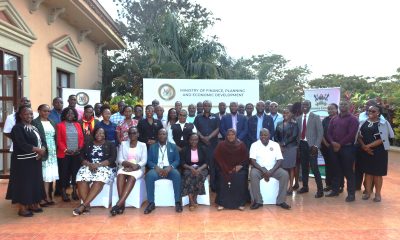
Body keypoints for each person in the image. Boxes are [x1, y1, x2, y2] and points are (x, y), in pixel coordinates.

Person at [6, 106, 46, 217]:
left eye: (30, 114)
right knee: (24, 184)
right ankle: (22, 208)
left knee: (34, 182)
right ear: (20, 115)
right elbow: (21, 144)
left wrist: (43, 149)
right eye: (26, 114)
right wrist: (37, 150)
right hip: (22, 162)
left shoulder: (34, 127)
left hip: (35, 159)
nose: (29, 116)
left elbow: (42, 140)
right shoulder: (17, 128)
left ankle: (33, 204)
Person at [73, 127, 117, 215]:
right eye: (97, 133)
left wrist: (98, 164)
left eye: (102, 133)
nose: (99, 135)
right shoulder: (88, 144)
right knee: (81, 178)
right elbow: (81, 157)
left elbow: (112, 158)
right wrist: (89, 164)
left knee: (99, 180)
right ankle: (87, 205)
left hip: (105, 167)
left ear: (105, 135)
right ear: (94, 134)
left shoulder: (110, 144)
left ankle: (83, 205)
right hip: (89, 165)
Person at [357, 105, 394, 202]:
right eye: (368, 111)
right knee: (368, 173)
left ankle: (378, 194)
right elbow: (358, 136)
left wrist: (367, 146)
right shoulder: (363, 122)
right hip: (365, 151)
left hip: (379, 152)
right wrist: (364, 146)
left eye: (373, 111)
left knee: (377, 174)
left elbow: (383, 139)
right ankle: (368, 192)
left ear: (378, 113)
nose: (370, 112)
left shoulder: (383, 123)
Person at [249, 128, 290, 210]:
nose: (263, 136)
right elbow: (252, 161)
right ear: (259, 136)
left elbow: (280, 160)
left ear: (269, 135)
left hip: (274, 168)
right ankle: (258, 201)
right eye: (261, 135)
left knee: (285, 174)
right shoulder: (254, 145)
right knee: (253, 174)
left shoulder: (275, 145)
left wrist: (271, 171)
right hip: (259, 169)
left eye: (265, 135)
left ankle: (281, 201)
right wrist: (263, 170)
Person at [326, 101, 359, 202]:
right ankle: (335, 190)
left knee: (348, 172)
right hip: (334, 147)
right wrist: (333, 143)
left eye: (345, 104)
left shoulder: (353, 119)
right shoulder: (334, 118)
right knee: (336, 170)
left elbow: (351, 134)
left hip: (347, 148)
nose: (342, 106)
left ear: (349, 106)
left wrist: (339, 144)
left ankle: (351, 194)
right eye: (341, 104)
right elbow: (328, 132)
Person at [144, 129, 182, 214]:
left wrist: (170, 167)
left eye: (164, 134)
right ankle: (151, 203)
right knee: (149, 176)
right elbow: (149, 161)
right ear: (158, 135)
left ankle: (178, 202)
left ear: (167, 135)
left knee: (177, 175)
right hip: (156, 169)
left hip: (169, 169)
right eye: (160, 134)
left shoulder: (173, 146)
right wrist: (155, 167)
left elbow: (177, 160)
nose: (162, 135)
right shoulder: (152, 147)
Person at [111, 126, 147, 216]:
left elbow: (144, 160)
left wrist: (135, 167)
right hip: (125, 167)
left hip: (138, 168)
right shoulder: (123, 144)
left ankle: (118, 204)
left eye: (134, 133)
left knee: (132, 177)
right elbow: (120, 159)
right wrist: (130, 165)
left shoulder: (143, 145)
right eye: (130, 133)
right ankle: (122, 204)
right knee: (120, 175)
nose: (132, 135)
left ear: (138, 134)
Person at [214, 129, 249, 210]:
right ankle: (221, 203)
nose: (230, 136)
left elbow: (246, 158)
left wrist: (240, 166)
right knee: (222, 176)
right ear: (226, 136)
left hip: (238, 168)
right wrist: (225, 168)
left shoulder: (241, 145)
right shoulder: (221, 145)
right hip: (224, 168)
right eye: (229, 135)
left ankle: (240, 203)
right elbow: (216, 157)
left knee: (240, 177)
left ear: (235, 135)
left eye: (232, 134)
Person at [296, 100, 324, 198]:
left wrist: (316, 146)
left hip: (312, 146)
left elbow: (320, 133)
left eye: (306, 105)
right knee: (304, 167)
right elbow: (298, 133)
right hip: (302, 145)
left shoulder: (315, 117)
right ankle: (305, 187)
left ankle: (320, 190)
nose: (304, 106)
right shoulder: (298, 118)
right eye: (303, 104)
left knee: (314, 167)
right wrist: (298, 146)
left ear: (310, 106)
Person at [32, 104, 58, 206]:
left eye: (48, 111)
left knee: (48, 175)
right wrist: (39, 150)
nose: (46, 113)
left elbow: (54, 136)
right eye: (44, 111)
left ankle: (47, 196)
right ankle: (41, 198)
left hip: (52, 151)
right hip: (42, 150)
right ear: (39, 111)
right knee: (42, 175)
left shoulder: (52, 122)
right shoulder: (35, 122)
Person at [57, 107, 84, 202]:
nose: (70, 115)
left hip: (76, 154)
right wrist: (65, 150)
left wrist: (79, 148)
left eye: (72, 114)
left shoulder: (77, 125)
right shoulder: (60, 125)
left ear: (75, 116)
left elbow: (81, 138)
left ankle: (74, 192)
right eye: (68, 113)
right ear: (64, 115)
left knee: (75, 173)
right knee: (64, 173)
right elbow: (59, 140)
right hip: (64, 154)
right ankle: (64, 192)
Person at [194, 100, 220, 191]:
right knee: (201, 164)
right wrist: (203, 138)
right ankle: (200, 186)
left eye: (209, 105)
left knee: (212, 166)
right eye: (205, 105)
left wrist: (209, 137)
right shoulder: (198, 117)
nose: (207, 107)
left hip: (213, 145)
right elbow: (195, 129)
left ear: (211, 106)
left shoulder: (215, 117)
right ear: (203, 107)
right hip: (201, 145)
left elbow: (217, 129)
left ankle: (213, 185)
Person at [181, 133, 208, 211]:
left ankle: (195, 197)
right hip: (188, 168)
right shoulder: (185, 149)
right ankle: (191, 200)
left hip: (201, 168)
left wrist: (199, 169)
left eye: (196, 139)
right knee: (188, 176)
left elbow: (206, 162)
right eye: (192, 139)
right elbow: (182, 163)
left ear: (198, 140)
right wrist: (191, 168)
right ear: (189, 140)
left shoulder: (203, 148)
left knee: (199, 175)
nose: (194, 141)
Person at [275, 108, 298, 194]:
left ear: (291, 114)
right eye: (284, 113)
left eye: (287, 112)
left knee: (291, 167)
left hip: (291, 147)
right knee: (281, 167)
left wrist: (284, 143)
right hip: (280, 148)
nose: (285, 114)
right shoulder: (279, 124)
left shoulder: (294, 124)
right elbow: (276, 135)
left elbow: (294, 136)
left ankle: (290, 187)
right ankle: (282, 187)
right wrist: (279, 144)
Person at [321, 103, 339, 192]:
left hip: (337, 147)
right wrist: (326, 143)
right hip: (326, 146)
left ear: (336, 109)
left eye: (332, 109)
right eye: (329, 109)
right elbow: (321, 133)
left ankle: (339, 185)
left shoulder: (340, 119)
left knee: (337, 166)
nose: (330, 110)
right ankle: (329, 184)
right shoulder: (325, 120)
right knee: (328, 166)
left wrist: (333, 144)